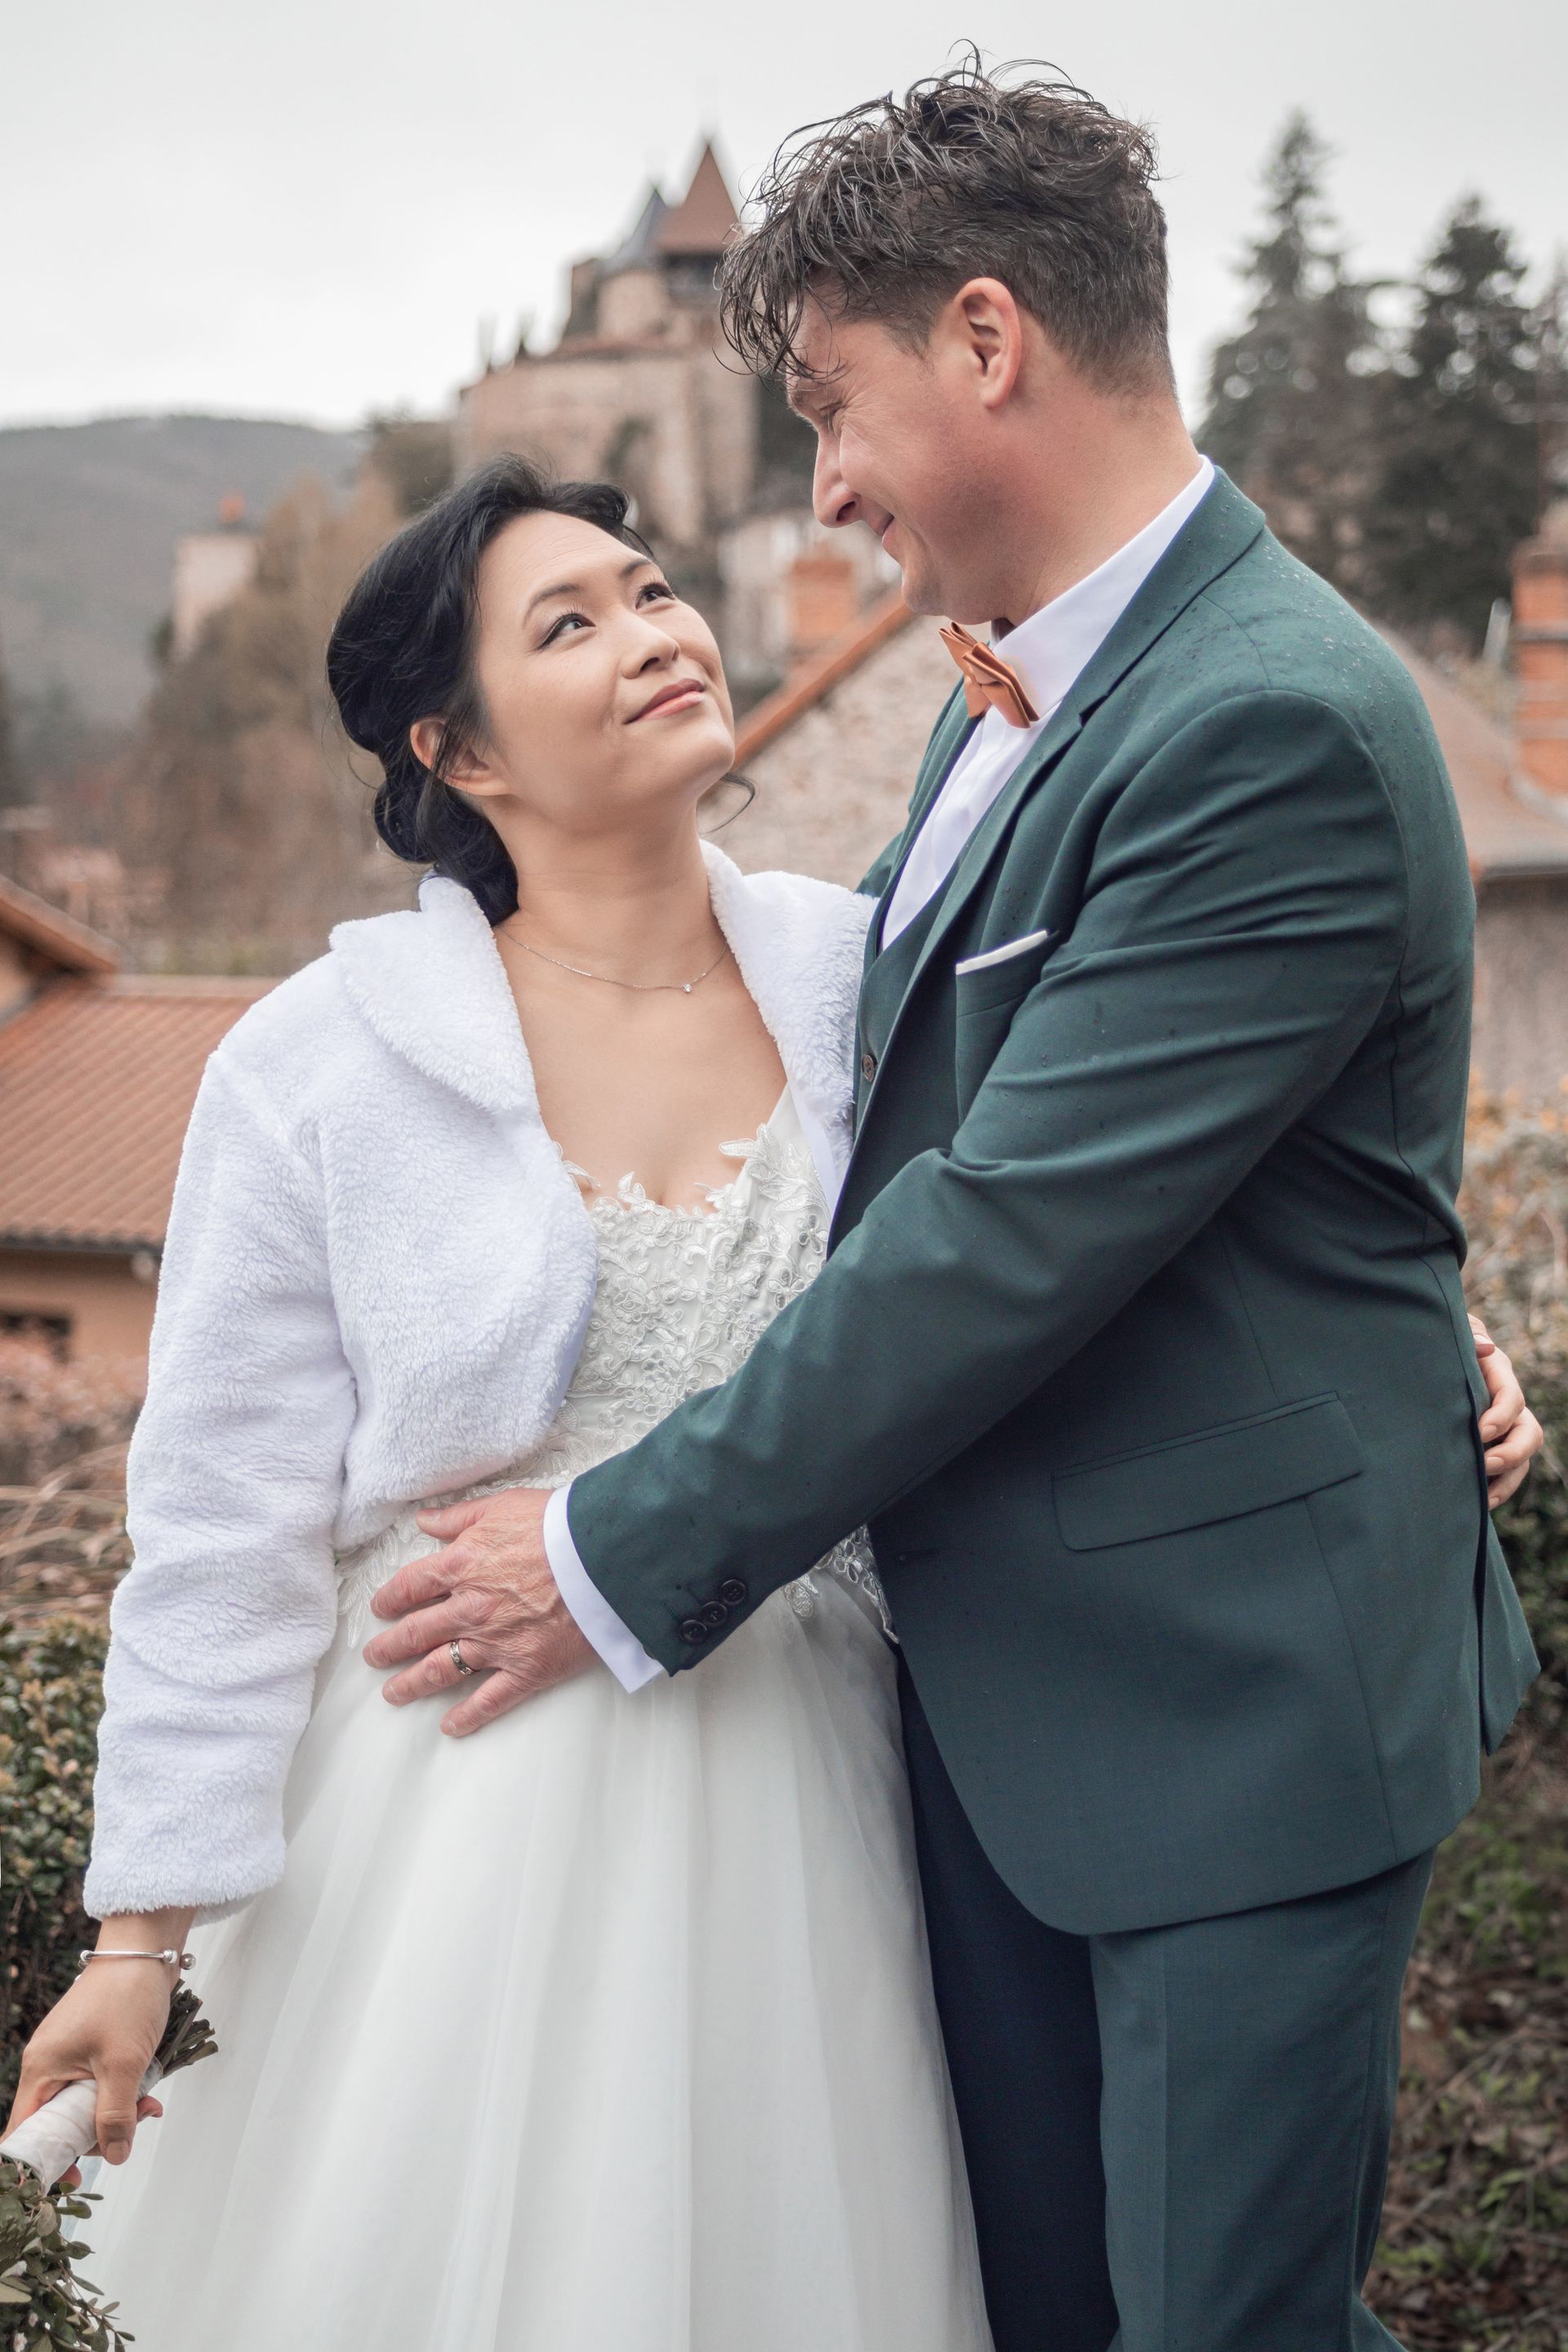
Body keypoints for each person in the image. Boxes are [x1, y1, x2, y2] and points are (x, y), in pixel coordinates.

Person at [358, 65, 1545, 2352]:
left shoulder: (1271, 718)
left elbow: (1008, 1228)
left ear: (986, 339)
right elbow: (1024, 1140)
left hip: (1226, 1720)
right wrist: (1419, 1319)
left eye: (832, 404)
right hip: (998, 1707)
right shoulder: (990, 707)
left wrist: (606, 1552)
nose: (825, 484)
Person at [5, 461, 999, 2351]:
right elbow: (222, 1526)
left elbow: (1084, 1218)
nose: (654, 636)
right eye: (571, 625)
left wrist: (1434, 1344)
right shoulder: (318, 1065)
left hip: (825, 1801)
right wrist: (139, 1938)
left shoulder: (866, 980)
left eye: (652, 591)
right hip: (447, 1832)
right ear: (456, 751)